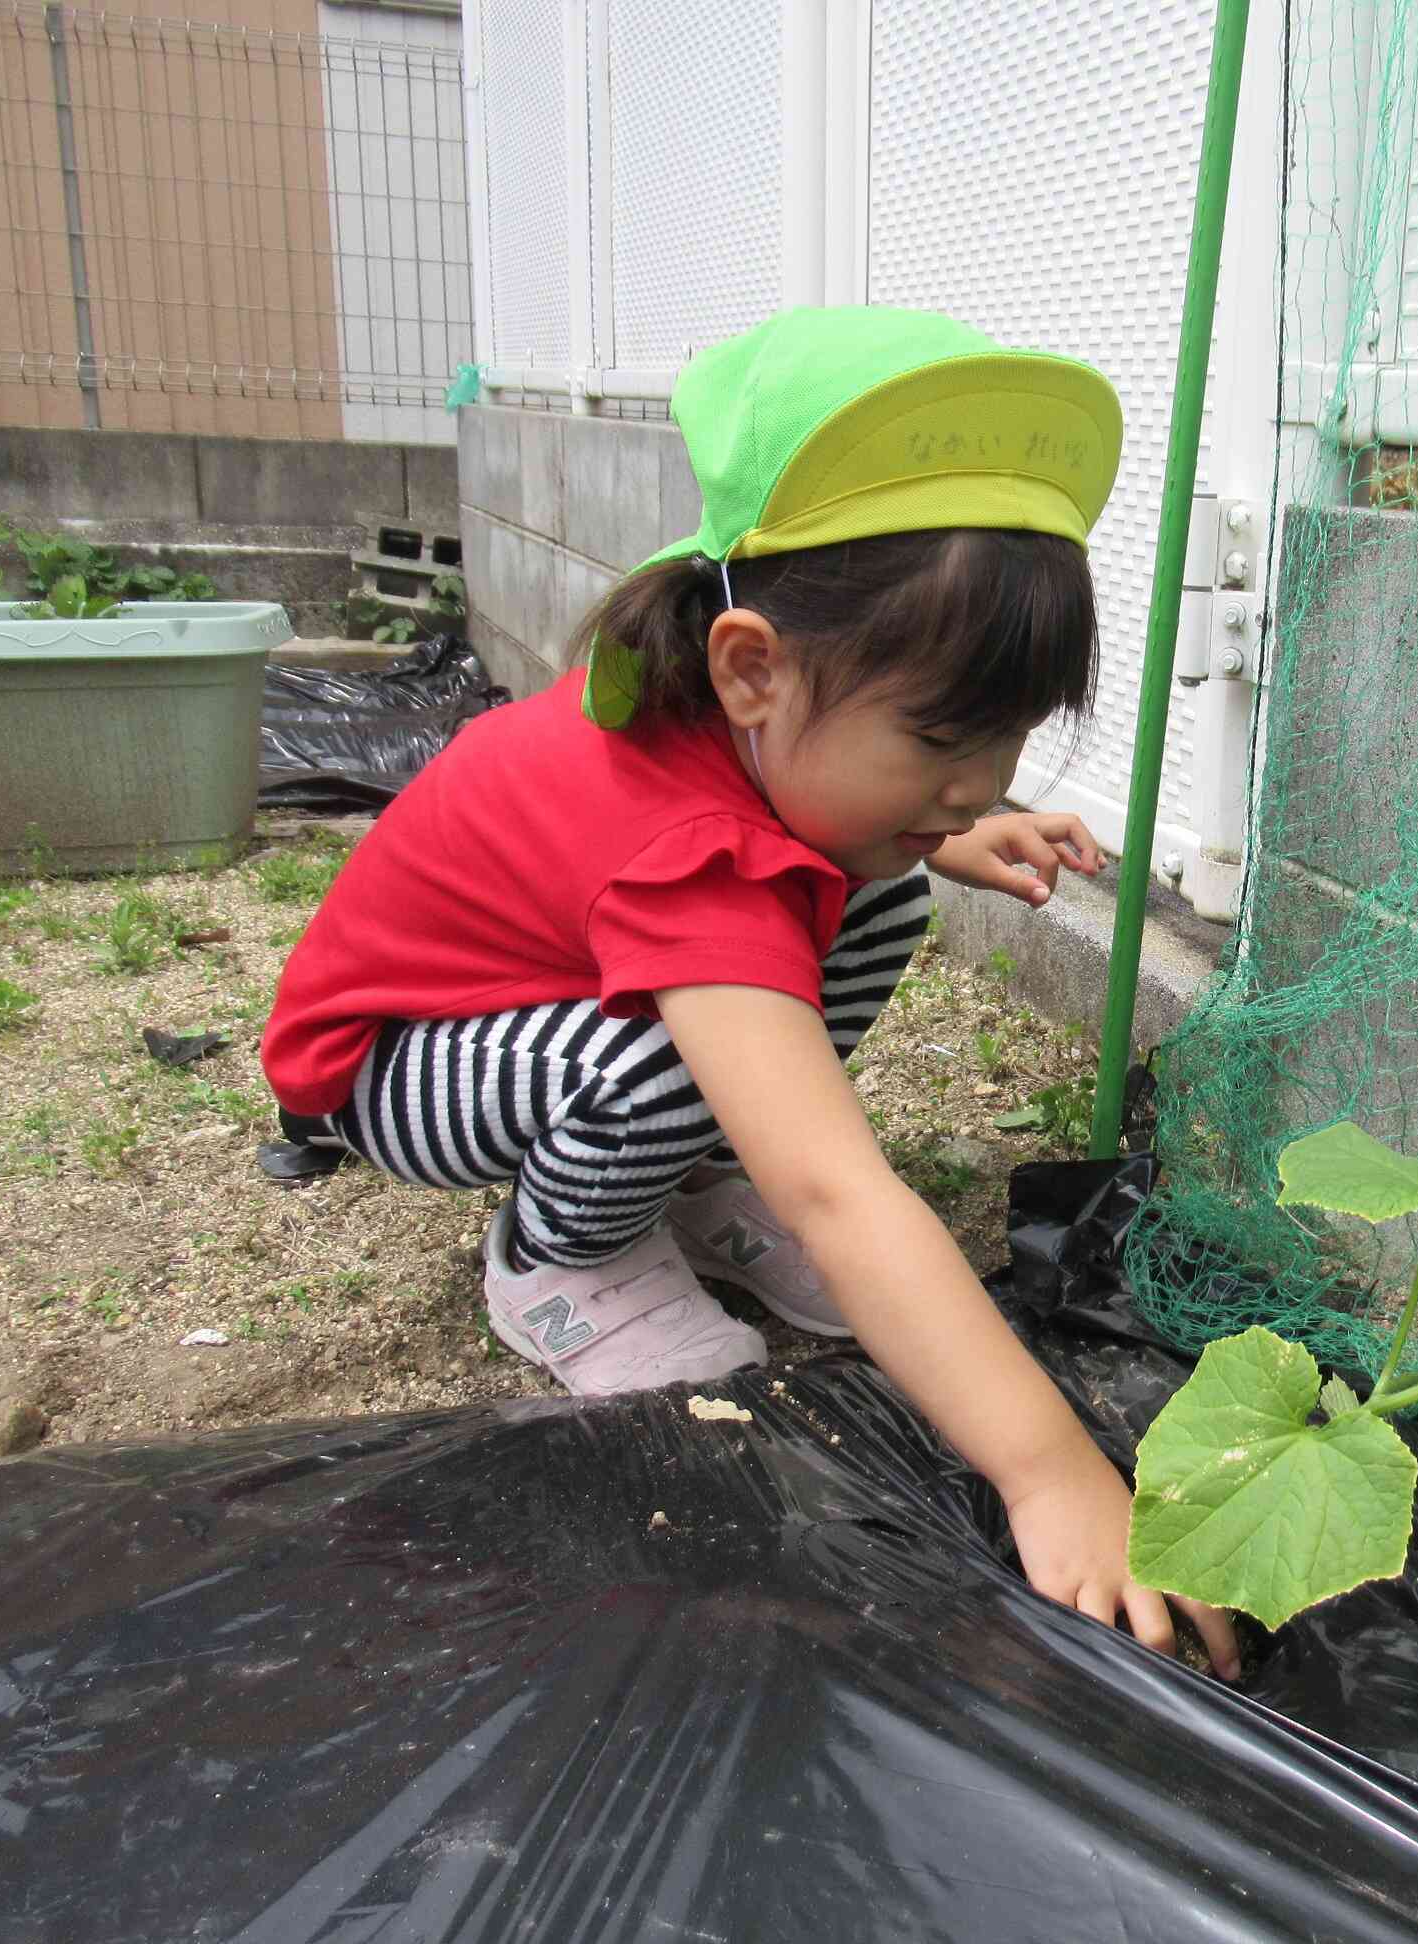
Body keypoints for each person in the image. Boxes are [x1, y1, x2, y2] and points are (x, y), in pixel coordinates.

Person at [261, 308, 1240, 1679]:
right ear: (754, 668)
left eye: (1009, 739)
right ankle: (564, 1259)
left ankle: (686, 1187)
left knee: (883, 882)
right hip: (390, 1067)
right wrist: (1050, 1472)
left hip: (533, 1002)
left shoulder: (730, 699)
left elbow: (837, 827)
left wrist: (940, 832)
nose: (982, 779)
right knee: (657, 1053)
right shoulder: (686, 855)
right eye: (946, 743)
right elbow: (842, 1190)